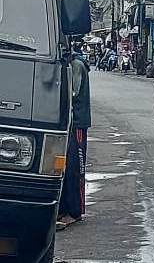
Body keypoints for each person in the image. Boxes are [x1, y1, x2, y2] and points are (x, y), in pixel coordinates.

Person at [57, 42, 91, 231]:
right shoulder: (73, 63)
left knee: (75, 168)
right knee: (66, 167)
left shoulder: (76, 65)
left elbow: (73, 93)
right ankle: (65, 209)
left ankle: (75, 212)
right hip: (68, 121)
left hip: (77, 122)